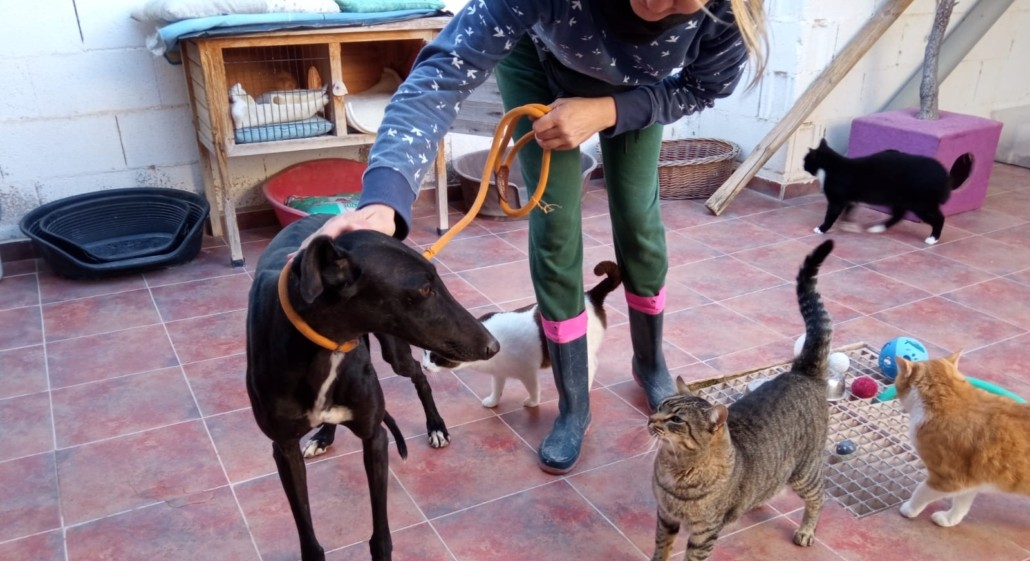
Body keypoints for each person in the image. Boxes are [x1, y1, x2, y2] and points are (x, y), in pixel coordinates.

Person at [313, 0, 768, 474]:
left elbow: (702, 86)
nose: (657, 3)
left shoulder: (732, 12)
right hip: (538, 63)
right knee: (555, 230)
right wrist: (382, 201)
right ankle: (574, 403)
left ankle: (650, 362)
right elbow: (443, 73)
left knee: (639, 224)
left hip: (640, 90)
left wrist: (608, 110)